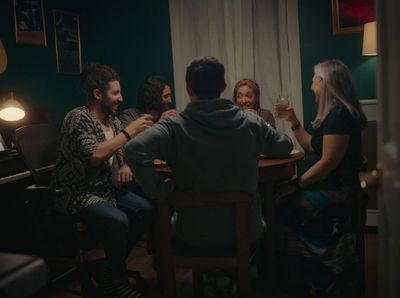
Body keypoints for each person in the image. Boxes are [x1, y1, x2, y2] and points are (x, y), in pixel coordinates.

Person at [124, 56, 293, 250]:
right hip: (245, 231)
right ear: (223, 86)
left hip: (192, 233)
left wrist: (160, 191)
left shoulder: (173, 126)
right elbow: (285, 146)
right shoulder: (251, 122)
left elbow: (133, 149)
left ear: (188, 89)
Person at [52, 62, 154, 298]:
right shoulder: (77, 118)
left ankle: (106, 269)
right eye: (115, 92)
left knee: (146, 210)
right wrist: (130, 131)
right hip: (77, 192)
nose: (121, 98)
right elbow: (96, 155)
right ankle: (115, 283)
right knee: (118, 220)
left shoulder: (114, 121)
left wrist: (127, 163)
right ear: (98, 94)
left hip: (105, 190)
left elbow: (126, 150)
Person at [274, 59, 367, 296]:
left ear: (325, 83)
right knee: (279, 203)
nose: (311, 84)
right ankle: (311, 273)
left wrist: (296, 184)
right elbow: (313, 148)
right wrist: (294, 122)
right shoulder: (333, 112)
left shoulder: (339, 114)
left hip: (339, 191)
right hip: (330, 186)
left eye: (314, 79)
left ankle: (323, 274)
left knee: (281, 206)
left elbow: (327, 164)